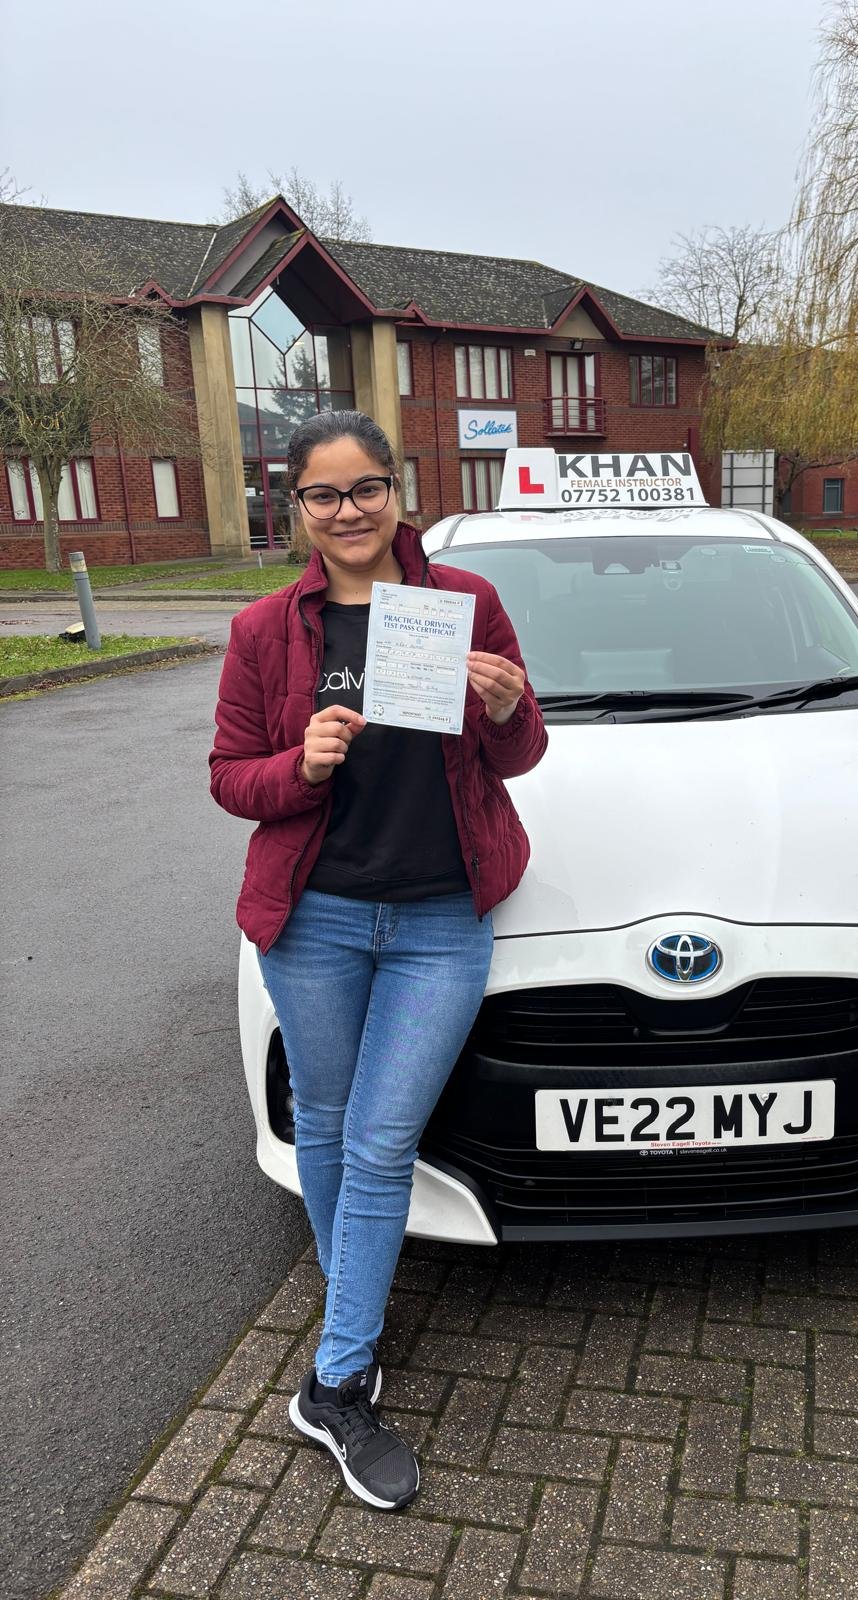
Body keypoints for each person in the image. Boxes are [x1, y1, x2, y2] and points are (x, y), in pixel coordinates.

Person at [209, 410, 547, 1511]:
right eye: (323, 494)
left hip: (441, 919)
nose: (347, 511)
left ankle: (337, 1377)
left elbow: (522, 753)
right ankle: (354, 1315)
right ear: (295, 507)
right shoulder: (267, 630)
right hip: (317, 920)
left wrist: (506, 706)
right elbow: (229, 776)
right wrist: (297, 763)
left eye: (366, 489)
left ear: (397, 492)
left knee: (381, 1135)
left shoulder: (460, 605)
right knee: (326, 1117)